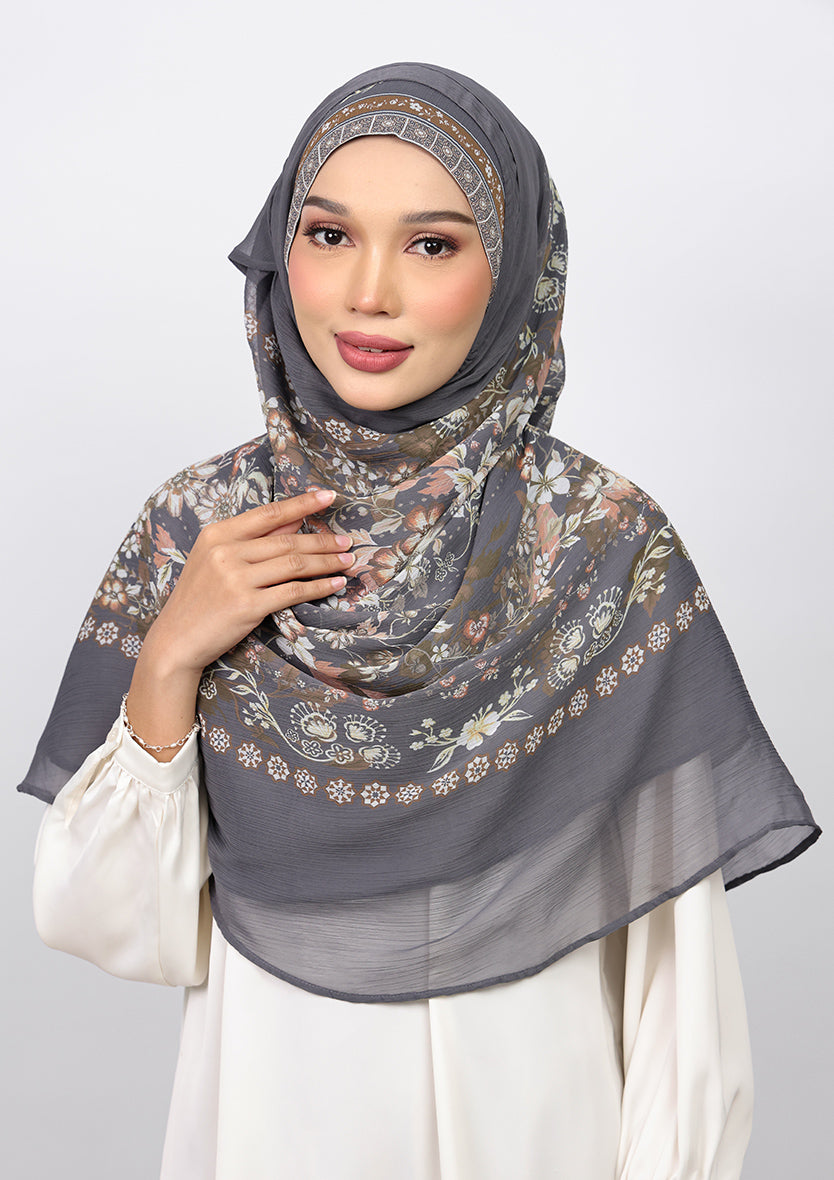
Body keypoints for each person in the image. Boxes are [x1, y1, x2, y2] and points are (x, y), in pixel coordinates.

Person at [19, 62, 820, 1178]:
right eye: (329, 235)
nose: (369, 293)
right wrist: (167, 661)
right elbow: (113, 923)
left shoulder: (600, 548)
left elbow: (678, 1014)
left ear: (514, 272)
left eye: (433, 245)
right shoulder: (204, 534)